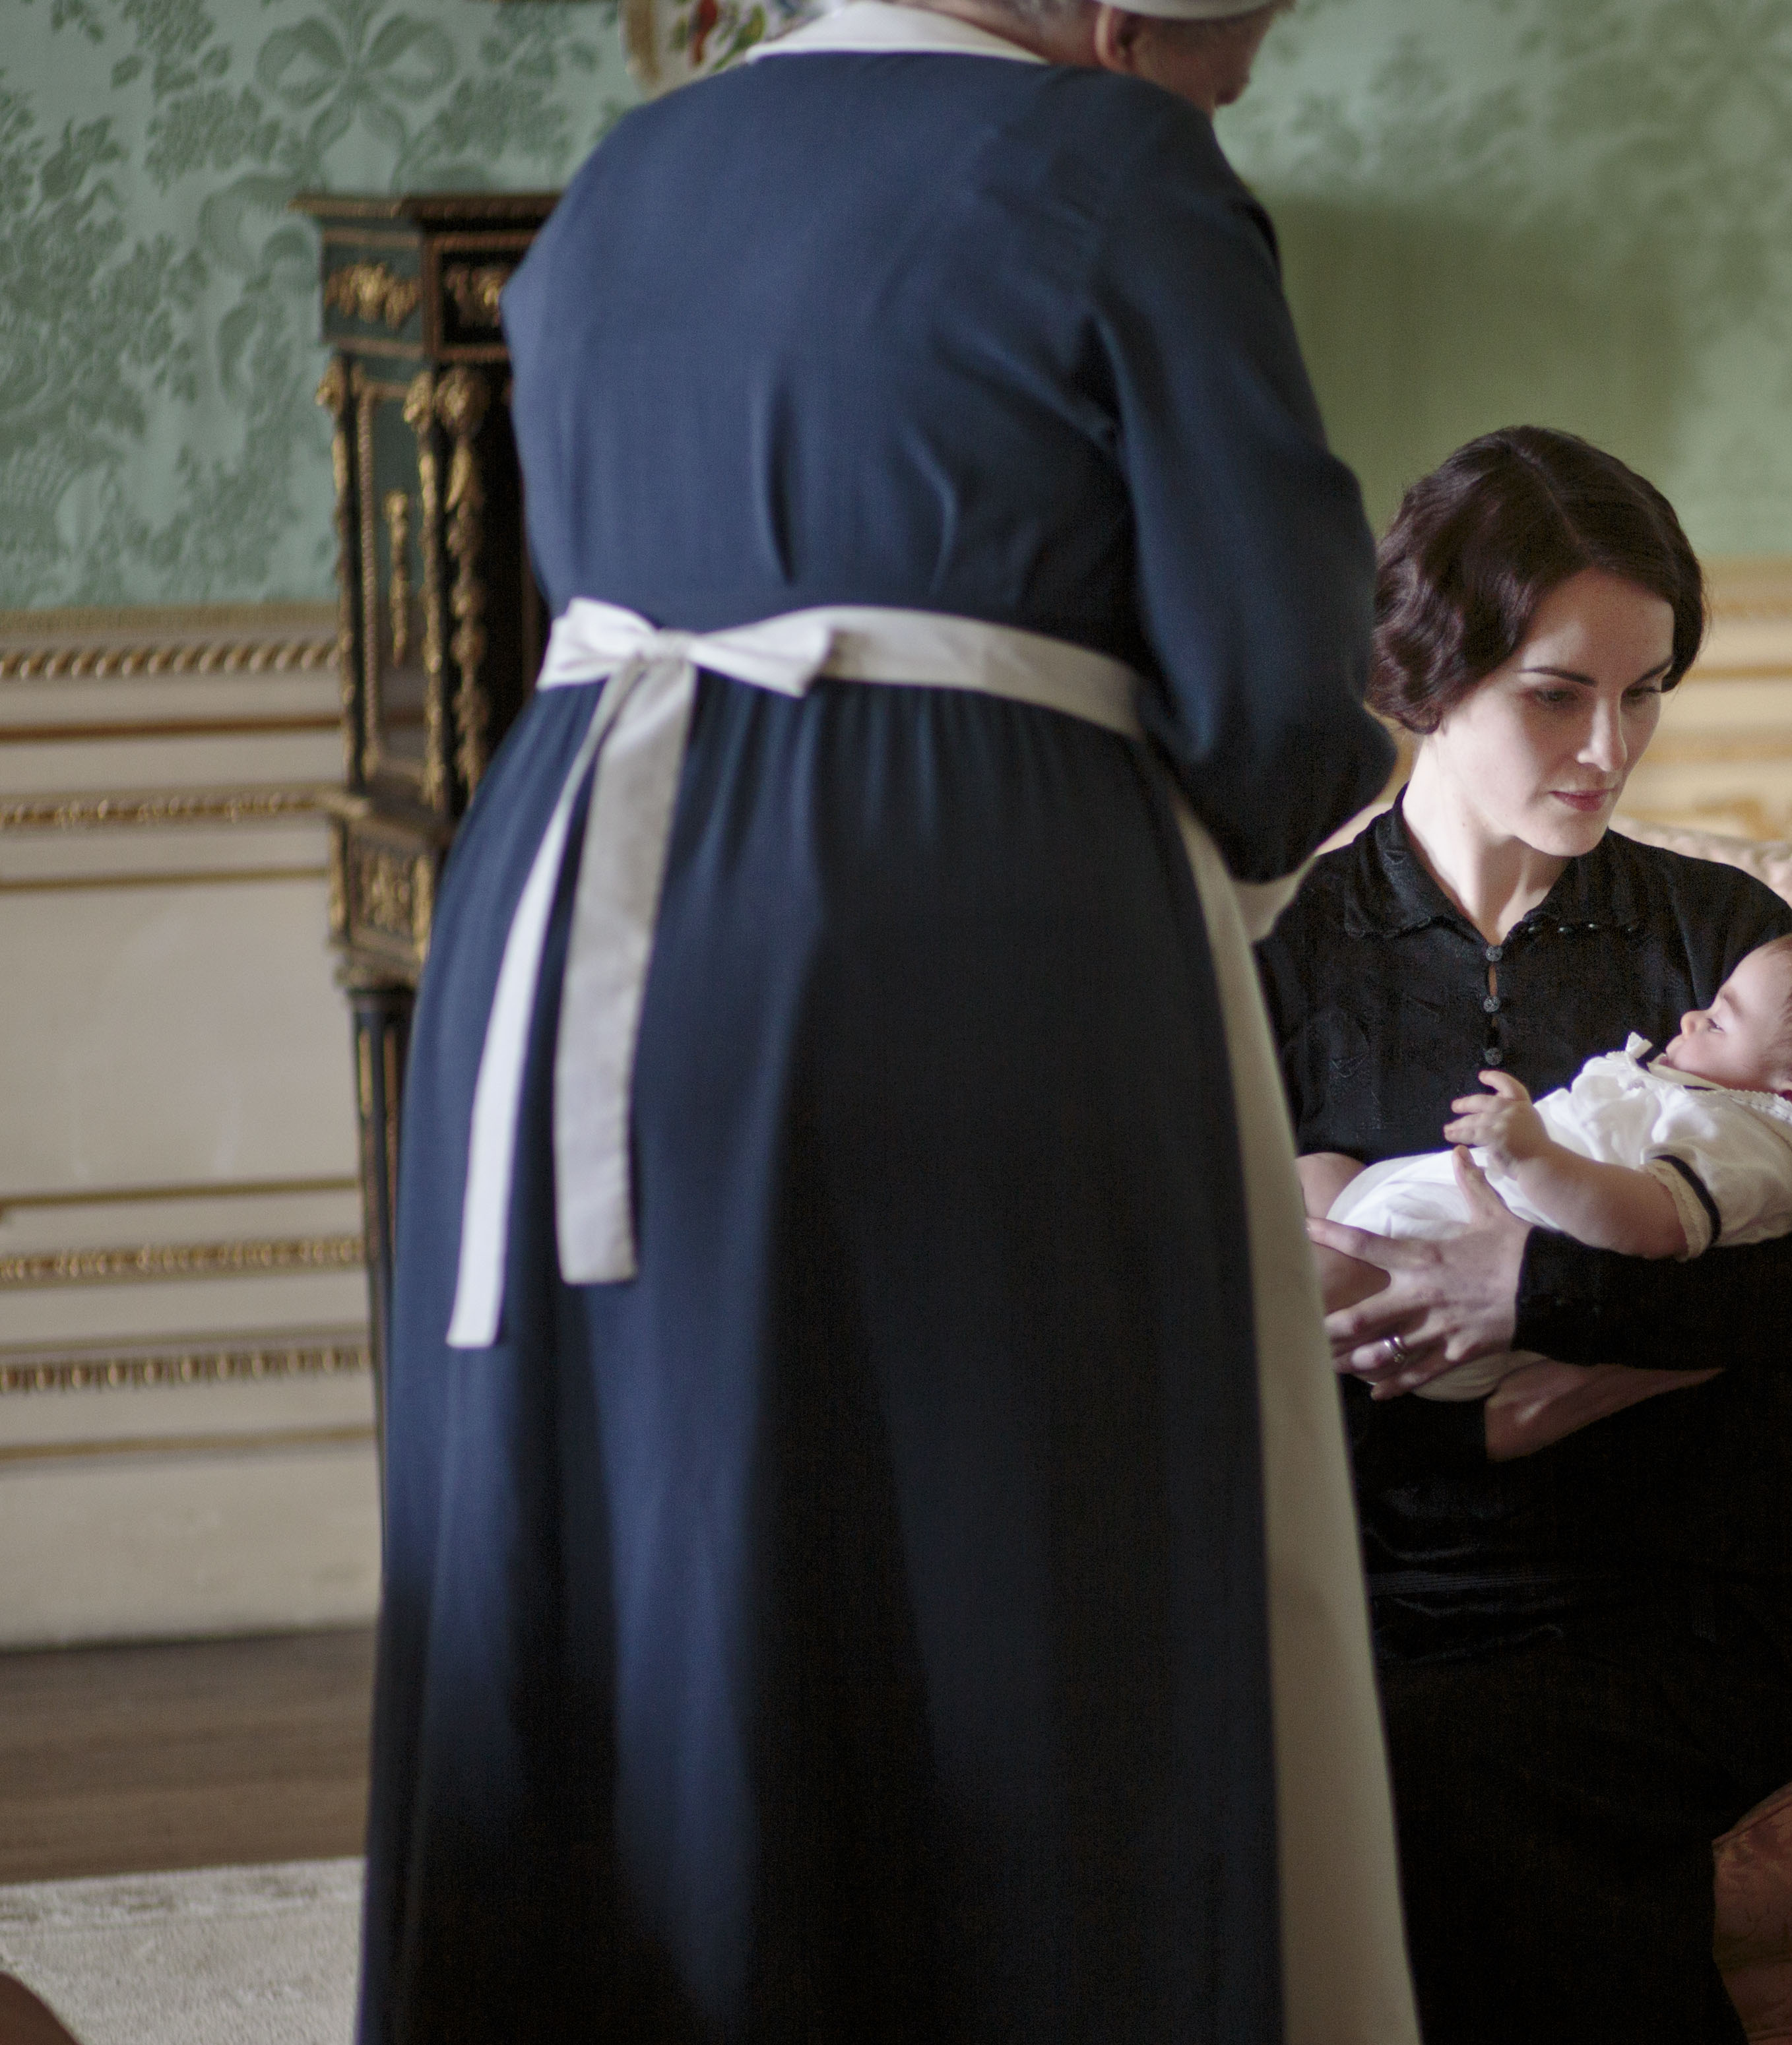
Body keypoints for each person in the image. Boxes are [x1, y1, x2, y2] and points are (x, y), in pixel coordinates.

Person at [357, 3, 1419, 2040]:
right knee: (999, 1537)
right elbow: (1277, 704)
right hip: (954, 919)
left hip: (575, 907)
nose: (1234, 94)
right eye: (1231, 45)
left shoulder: (625, 177)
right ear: (1123, 13)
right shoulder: (1118, 170)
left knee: (647, 1523)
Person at [1258, 426, 1792, 2042]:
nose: (1611, 747)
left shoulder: (1725, 941)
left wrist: (1542, 1281)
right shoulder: (1285, 948)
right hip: (1379, 1594)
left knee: (1456, 1773)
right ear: (1428, 677)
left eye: (1645, 692)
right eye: (1560, 693)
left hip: (1674, 1614)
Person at [1318, 931, 1792, 1403]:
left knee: (1303, 1280)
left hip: (1466, 1257)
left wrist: (1534, 1157)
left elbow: (1644, 1220)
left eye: (1718, 1021)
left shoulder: (1741, 1146)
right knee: (1308, 1179)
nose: (1690, 1016)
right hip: (1437, 1203)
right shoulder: (1717, 1100)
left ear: (1784, 1101)